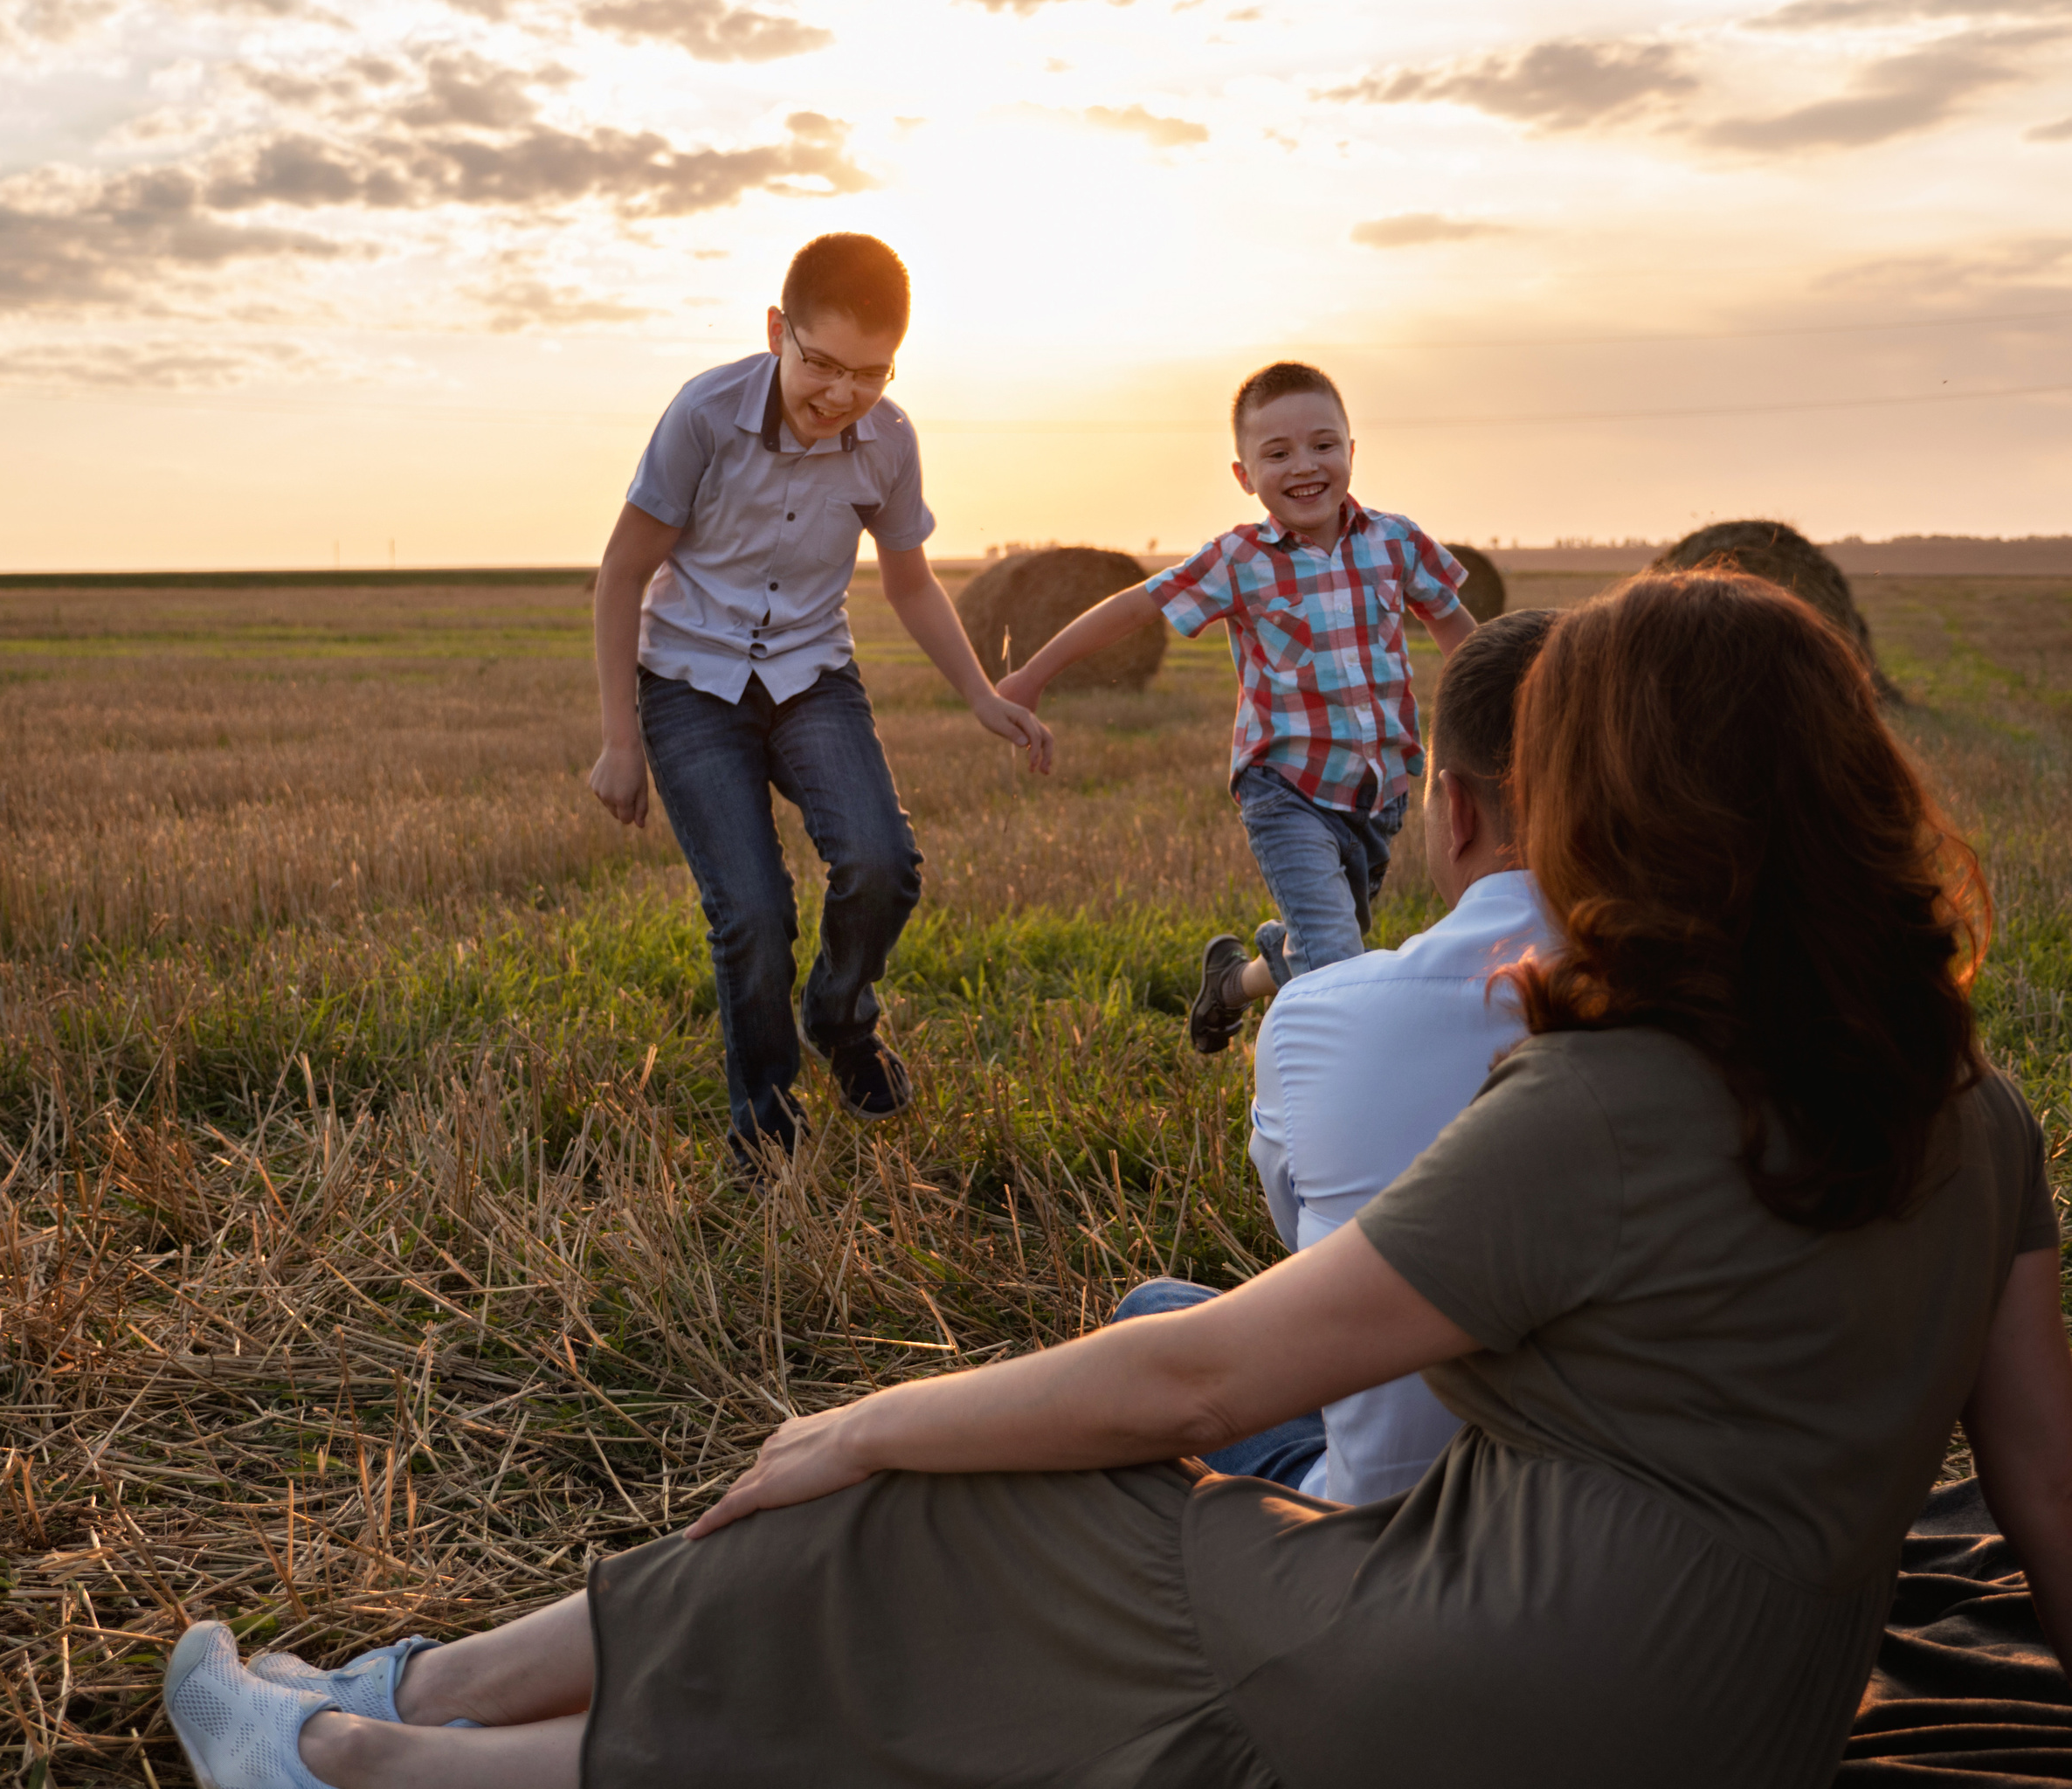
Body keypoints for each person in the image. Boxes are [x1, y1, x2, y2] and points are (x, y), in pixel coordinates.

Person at [164, 570, 2072, 1789]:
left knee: (932, 1521)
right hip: (1748, 1731)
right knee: (1082, 1676)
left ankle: (374, 1745)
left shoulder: (1613, 1101)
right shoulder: (1975, 1116)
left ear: (1623, 805)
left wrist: (863, 1421)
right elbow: (2046, 1502)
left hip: (1504, 1686)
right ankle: (406, 1716)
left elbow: (1204, 1381)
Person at [584, 233, 1051, 1162]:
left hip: (810, 674)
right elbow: (621, 572)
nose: (841, 395)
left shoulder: (889, 440)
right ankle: (764, 1124)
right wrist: (619, 740)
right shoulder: (705, 415)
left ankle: (838, 1019)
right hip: (688, 685)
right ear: (776, 332)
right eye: (822, 364)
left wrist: (979, 691)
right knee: (752, 913)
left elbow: (909, 583)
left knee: (884, 862)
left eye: (870, 373)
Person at [1115, 606, 1560, 1505]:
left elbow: (1314, 1263)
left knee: (1156, 1312)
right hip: (1620, 1516)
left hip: (1376, 1526)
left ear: (1455, 807)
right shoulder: (1727, 1000)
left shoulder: (1322, 1019)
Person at [995, 360, 1476, 1054]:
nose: (1304, 466)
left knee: (1324, 945)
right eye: (1276, 453)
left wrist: (1509, 707)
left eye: (1322, 444)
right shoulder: (1238, 559)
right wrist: (1035, 675)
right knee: (1339, 960)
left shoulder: (1396, 541)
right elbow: (1135, 606)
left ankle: (1231, 983)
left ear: (1350, 451)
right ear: (1244, 474)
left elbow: (1455, 627)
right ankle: (1331, 1092)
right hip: (1283, 790)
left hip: (1378, 793)